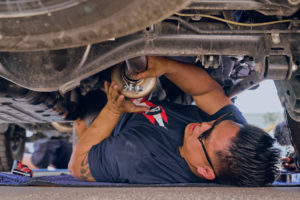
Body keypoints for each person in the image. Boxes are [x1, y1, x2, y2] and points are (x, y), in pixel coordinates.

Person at [68, 56, 280, 186]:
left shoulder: (139, 160)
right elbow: (208, 90)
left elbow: (77, 166)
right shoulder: (231, 133)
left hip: (112, 118)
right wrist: (164, 65)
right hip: (157, 100)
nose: (205, 124)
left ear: (205, 171)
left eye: (205, 134)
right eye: (214, 123)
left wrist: (113, 110)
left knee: (88, 103)